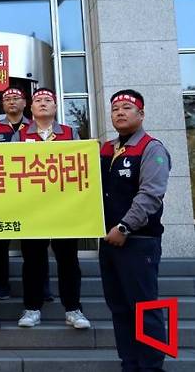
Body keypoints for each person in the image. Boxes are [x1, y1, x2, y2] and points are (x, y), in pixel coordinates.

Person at [100, 89, 170, 371]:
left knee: (147, 309)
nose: (120, 112)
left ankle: (153, 367)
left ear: (141, 115)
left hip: (139, 242)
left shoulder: (153, 148)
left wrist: (125, 227)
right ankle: (129, 364)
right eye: (115, 108)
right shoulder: (106, 149)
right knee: (120, 309)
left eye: (127, 108)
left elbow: (151, 195)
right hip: (108, 242)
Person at [12, 88, 90, 329]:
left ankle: (73, 309)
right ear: (31, 108)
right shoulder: (21, 135)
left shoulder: (70, 133)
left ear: (56, 108)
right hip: (33, 210)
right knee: (33, 261)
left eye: (48, 101)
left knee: (68, 261)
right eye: (38, 101)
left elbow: (82, 167)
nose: (43, 104)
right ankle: (32, 308)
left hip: (64, 209)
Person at [0, 87, 31, 300]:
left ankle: (40, 286)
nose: (12, 102)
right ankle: (1, 285)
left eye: (16, 98)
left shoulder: (36, 128)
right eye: (7, 99)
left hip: (31, 196)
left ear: (25, 103)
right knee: (1, 243)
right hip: (1, 194)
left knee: (33, 244)